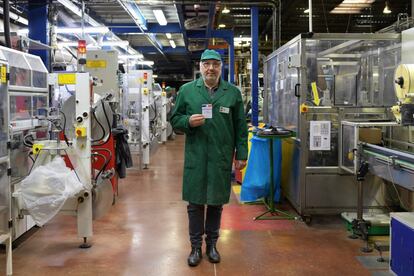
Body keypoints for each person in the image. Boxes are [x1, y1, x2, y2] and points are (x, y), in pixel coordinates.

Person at [171, 49, 248, 267]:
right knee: (195, 204)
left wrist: (241, 153)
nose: (211, 68)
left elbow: (240, 127)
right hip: (196, 155)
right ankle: (195, 247)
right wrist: (187, 122)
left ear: (220, 67)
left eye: (215, 64)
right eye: (207, 64)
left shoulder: (232, 93)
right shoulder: (187, 91)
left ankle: (212, 245)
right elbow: (174, 119)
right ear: (201, 67)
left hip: (221, 156)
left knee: (215, 203)